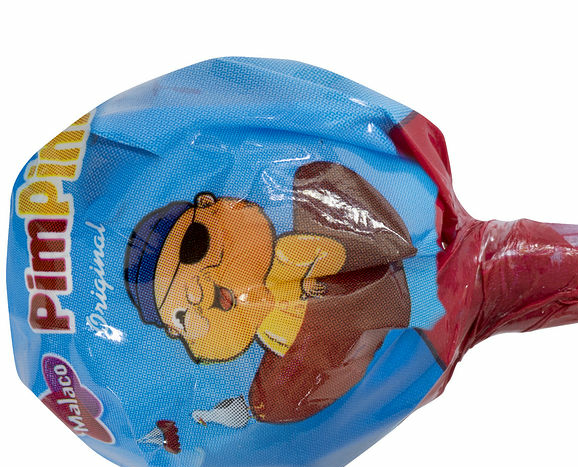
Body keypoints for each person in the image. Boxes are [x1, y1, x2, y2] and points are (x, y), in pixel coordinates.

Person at [124, 162, 416, 423]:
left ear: (208, 205)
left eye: (193, 248)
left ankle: (387, 289)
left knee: (316, 183)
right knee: (269, 404)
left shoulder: (284, 256)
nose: (197, 292)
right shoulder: (262, 334)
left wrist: (306, 285)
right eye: (181, 313)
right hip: (330, 341)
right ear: (176, 331)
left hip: (352, 301)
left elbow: (328, 253)